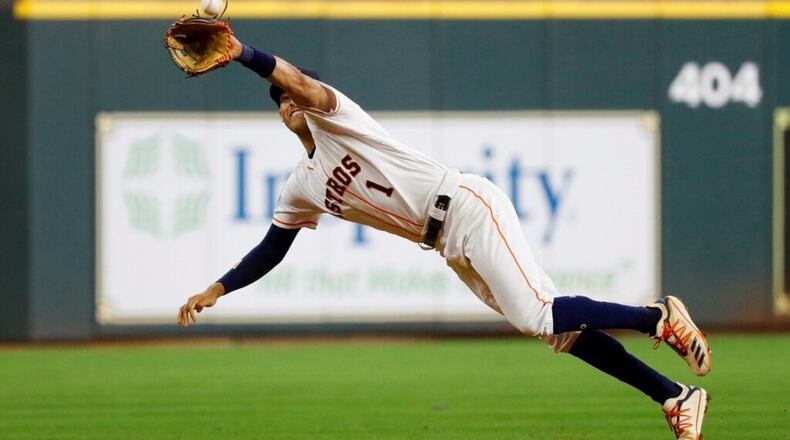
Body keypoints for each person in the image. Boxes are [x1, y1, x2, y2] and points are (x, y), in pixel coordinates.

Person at [176, 35, 711, 440]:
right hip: (447, 243)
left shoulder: (337, 116)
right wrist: (217, 289)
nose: (287, 102)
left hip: (465, 207)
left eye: (289, 92)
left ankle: (656, 318)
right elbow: (274, 246)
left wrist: (245, 53)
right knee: (560, 334)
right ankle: (674, 398)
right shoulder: (301, 186)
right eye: (278, 101)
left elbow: (298, 83)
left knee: (539, 314)